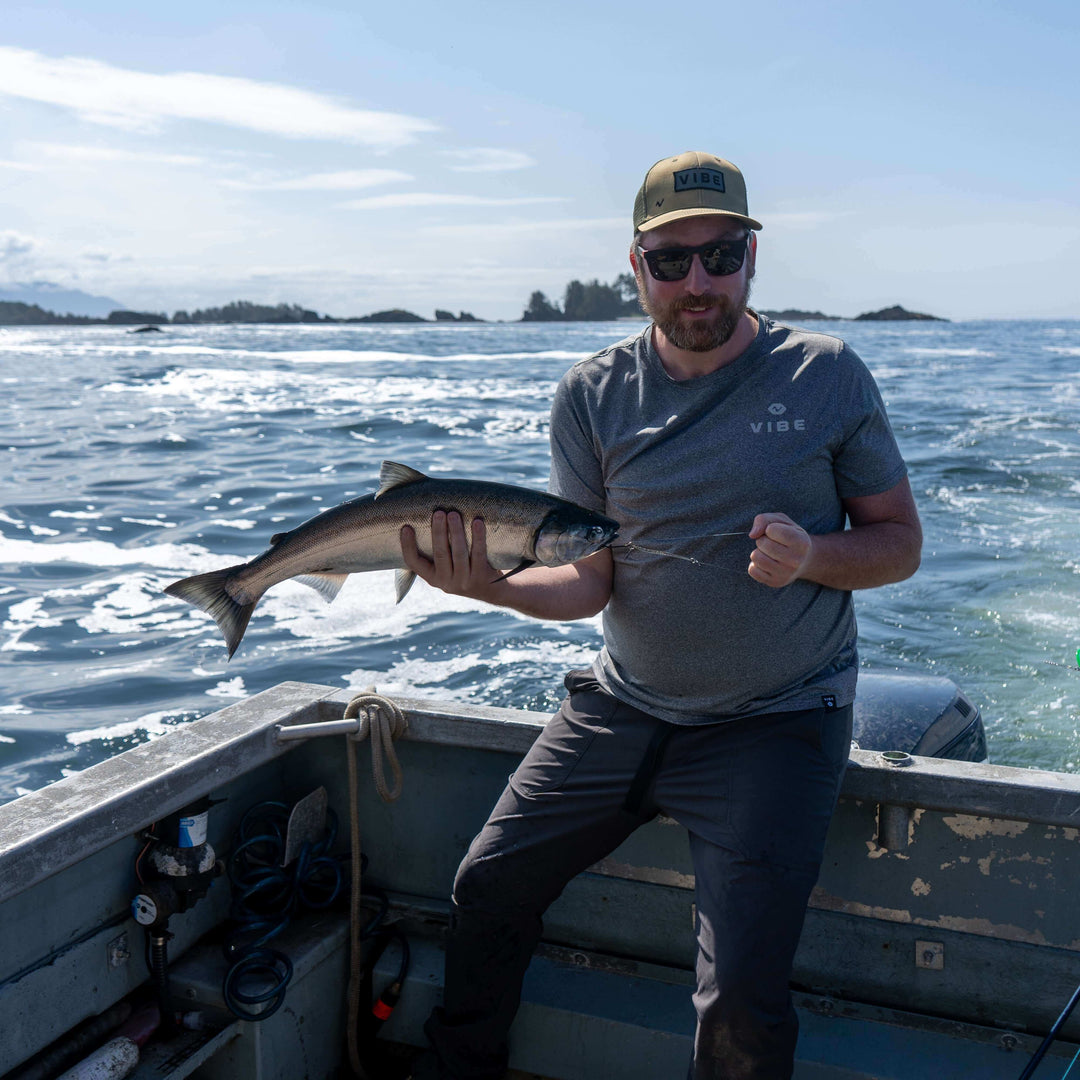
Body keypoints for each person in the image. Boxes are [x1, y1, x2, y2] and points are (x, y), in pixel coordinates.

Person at [399, 151, 922, 1080]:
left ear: (752, 257)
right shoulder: (592, 394)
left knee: (739, 1003)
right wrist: (494, 587)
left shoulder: (827, 377)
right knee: (485, 884)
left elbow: (898, 544)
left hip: (779, 720)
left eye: (721, 255)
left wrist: (815, 555)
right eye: (672, 261)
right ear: (636, 267)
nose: (698, 282)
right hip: (624, 706)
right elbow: (591, 581)